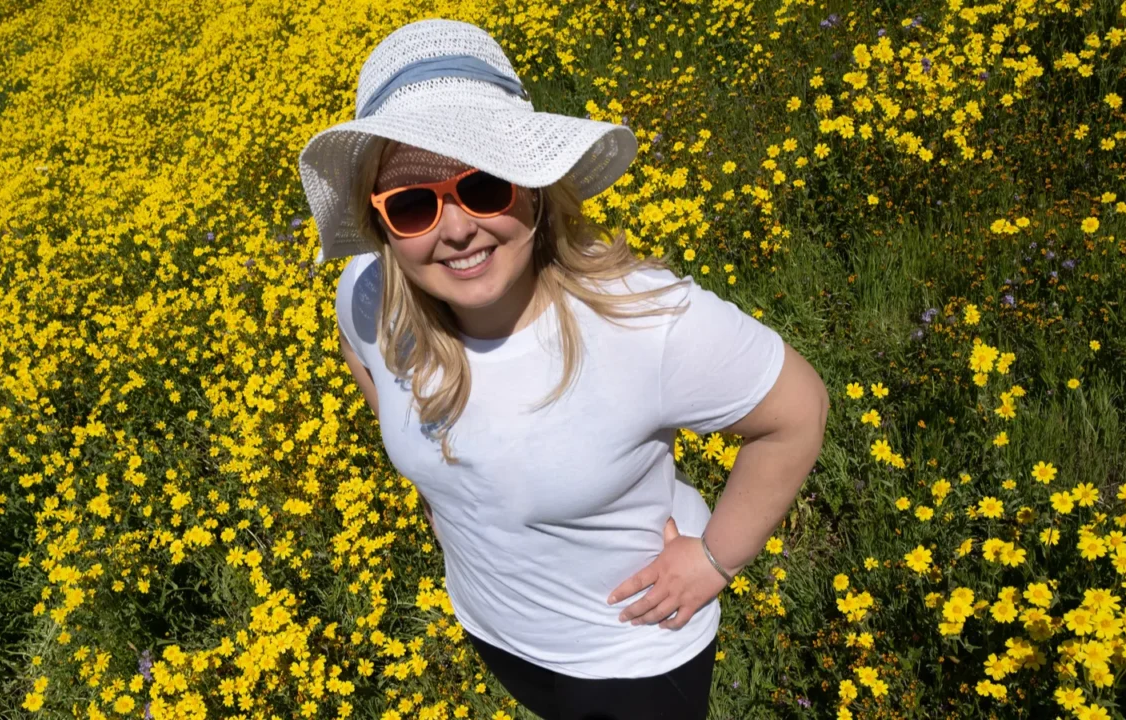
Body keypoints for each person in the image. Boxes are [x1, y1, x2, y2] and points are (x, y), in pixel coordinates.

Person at [299, 18, 829, 720]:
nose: (456, 228)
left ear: (535, 185)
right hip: (494, 629)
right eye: (413, 206)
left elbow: (799, 413)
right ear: (381, 227)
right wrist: (439, 486)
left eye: (483, 185)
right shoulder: (367, 296)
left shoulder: (645, 321)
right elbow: (362, 358)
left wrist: (713, 560)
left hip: (632, 654)